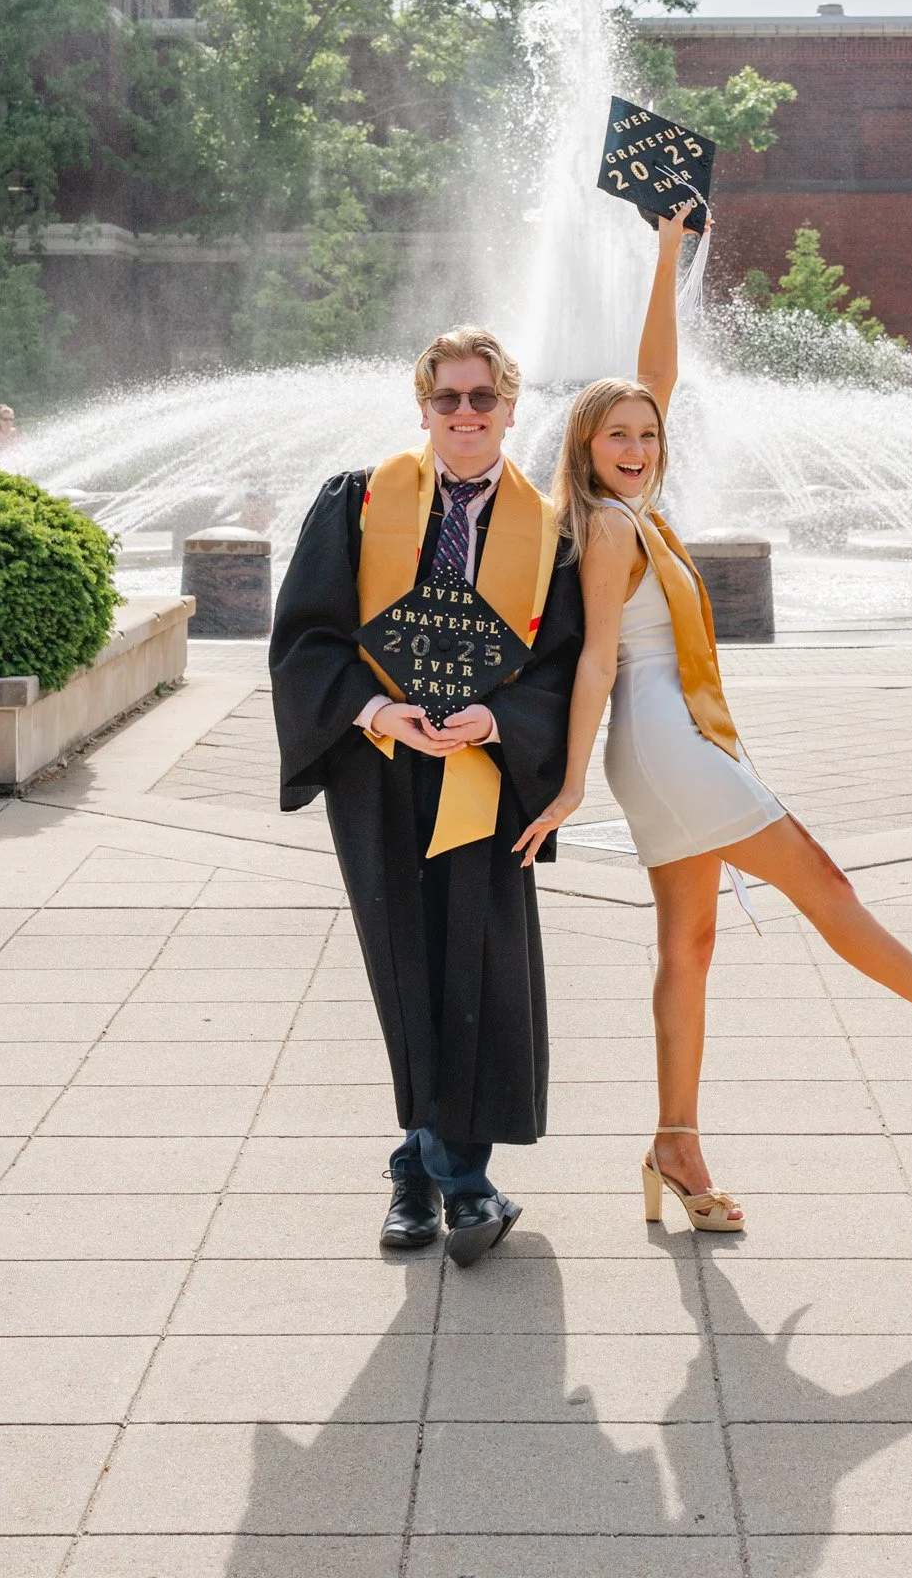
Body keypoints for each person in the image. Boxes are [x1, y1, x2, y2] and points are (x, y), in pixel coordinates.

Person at [516, 208, 912, 1234]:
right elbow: (596, 655)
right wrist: (568, 785)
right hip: (664, 747)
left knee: (689, 946)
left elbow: (656, 375)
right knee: (823, 885)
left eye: (647, 434)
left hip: (674, 744)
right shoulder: (605, 527)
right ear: (584, 446)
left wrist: (666, 254)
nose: (639, 446)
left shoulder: (635, 507)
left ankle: (676, 1145)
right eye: (618, 435)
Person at [270, 326, 584, 1266]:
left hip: (487, 775)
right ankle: (452, 1181)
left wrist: (498, 720)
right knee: (406, 967)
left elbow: (563, 665)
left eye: (483, 397)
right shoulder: (361, 501)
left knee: (477, 969)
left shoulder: (550, 529)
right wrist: (377, 711)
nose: (465, 413)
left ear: (510, 409)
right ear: (423, 409)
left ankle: (434, 1175)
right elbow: (305, 639)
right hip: (380, 768)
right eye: (448, 397)